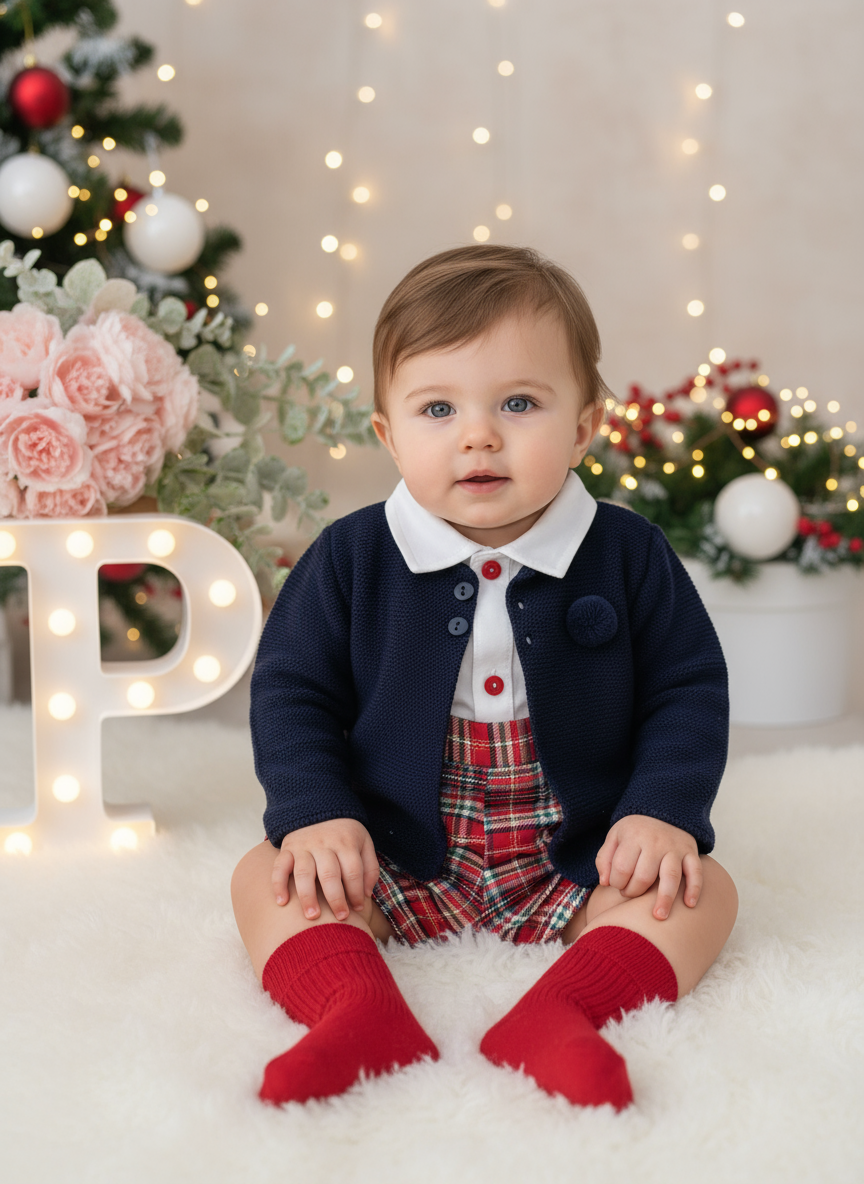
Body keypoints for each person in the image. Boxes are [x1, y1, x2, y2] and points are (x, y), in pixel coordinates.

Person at [231, 244, 738, 1110]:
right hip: (393, 842)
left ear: (583, 426)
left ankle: (563, 1013)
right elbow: (292, 691)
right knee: (266, 875)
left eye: (519, 403)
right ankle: (353, 1011)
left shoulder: (627, 552)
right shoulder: (353, 556)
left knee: (701, 894)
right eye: (437, 408)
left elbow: (686, 688)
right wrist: (317, 813)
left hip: (578, 846)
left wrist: (660, 811)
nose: (479, 435)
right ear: (388, 434)